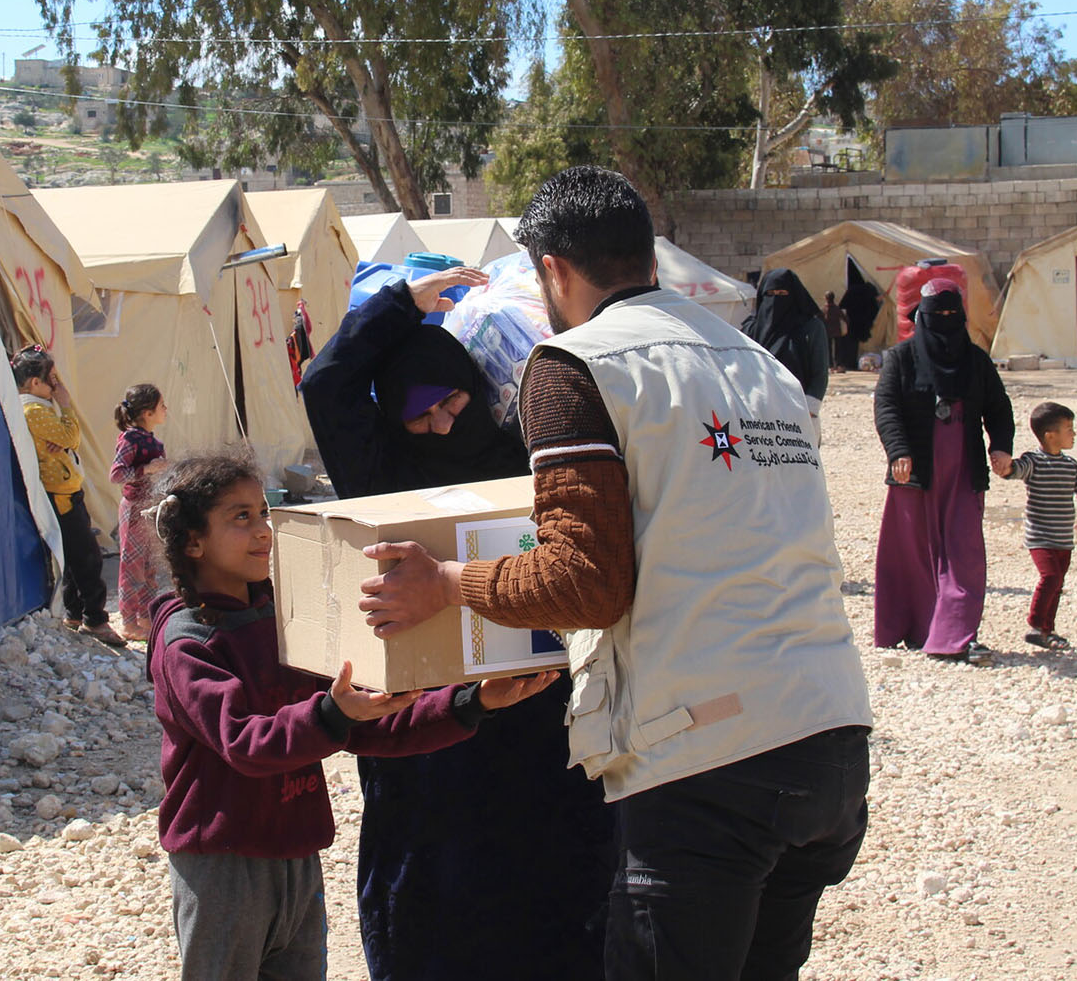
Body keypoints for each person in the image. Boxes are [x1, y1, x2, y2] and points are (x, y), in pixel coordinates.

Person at [354, 166, 874, 980]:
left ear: (551, 270)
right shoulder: (759, 364)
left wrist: (448, 582)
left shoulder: (574, 365)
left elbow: (585, 580)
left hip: (710, 764)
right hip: (831, 741)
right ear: (648, 257)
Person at [299, 269, 615, 980]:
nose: (440, 424)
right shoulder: (381, 470)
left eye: (451, 401)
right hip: (433, 738)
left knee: (558, 893)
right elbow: (326, 385)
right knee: (435, 913)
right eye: (419, 414)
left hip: (539, 720)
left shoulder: (523, 458)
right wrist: (400, 304)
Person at [145, 453, 555, 981]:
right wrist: (333, 711)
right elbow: (245, 743)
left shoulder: (282, 617)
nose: (263, 531)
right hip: (223, 865)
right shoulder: (188, 642)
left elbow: (363, 721)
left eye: (264, 513)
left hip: (296, 850)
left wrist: (471, 701)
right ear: (192, 542)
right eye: (239, 517)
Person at [872, 279, 1013, 666]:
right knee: (913, 553)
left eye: (953, 314)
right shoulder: (901, 358)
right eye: (938, 315)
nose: (946, 322)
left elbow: (999, 408)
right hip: (914, 471)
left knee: (963, 552)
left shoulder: (976, 360)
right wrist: (898, 451)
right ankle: (919, 629)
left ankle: (954, 637)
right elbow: (887, 408)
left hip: (963, 470)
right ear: (922, 317)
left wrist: (1000, 446)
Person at [12, 345, 126, 647]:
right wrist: (66, 410)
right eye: (51, 380)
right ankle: (95, 619)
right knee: (87, 557)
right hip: (60, 496)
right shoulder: (34, 410)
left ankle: (76, 613)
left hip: (67, 491)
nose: (57, 387)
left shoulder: (39, 411)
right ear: (35, 383)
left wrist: (62, 436)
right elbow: (71, 438)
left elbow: (64, 441)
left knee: (78, 554)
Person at [1000, 401, 1077, 651]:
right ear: (1050, 435)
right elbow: (1017, 470)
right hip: (1040, 537)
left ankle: (1047, 631)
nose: (1073, 434)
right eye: (1069, 429)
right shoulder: (1034, 461)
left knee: (1058, 583)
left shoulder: (1071, 466)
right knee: (1050, 577)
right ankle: (1035, 624)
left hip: (1064, 538)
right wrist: (1007, 467)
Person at [110, 383, 170, 642]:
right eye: (161, 406)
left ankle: (146, 614)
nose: (166, 410)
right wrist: (147, 470)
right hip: (134, 509)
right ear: (147, 412)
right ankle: (128, 620)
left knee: (148, 565)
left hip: (149, 508)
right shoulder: (130, 439)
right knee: (131, 565)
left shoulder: (153, 441)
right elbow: (116, 474)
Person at [741, 267, 829, 426]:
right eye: (770, 294)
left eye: (782, 294)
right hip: (755, 413)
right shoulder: (750, 329)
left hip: (798, 413)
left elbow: (820, 373)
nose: (776, 300)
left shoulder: (811, 328)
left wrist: (809, 410)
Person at [837, 271, 881, 371]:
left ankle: (846, 363)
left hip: (849, 320)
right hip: (862, 321)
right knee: (855, 343)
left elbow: (842, 305)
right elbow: (874, 305)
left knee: (847, 343)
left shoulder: (850, 291)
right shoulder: (868, 289)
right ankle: (853, 363)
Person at [823, 290, 848, 372]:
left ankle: (830, 366)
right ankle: (838, 365)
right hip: (837, 332)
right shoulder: (836, 309)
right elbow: (845, 318)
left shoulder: (824, 309)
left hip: (828, 332)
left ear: (826, 298)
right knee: (838, 349)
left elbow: (818, 318)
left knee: (829, 349)